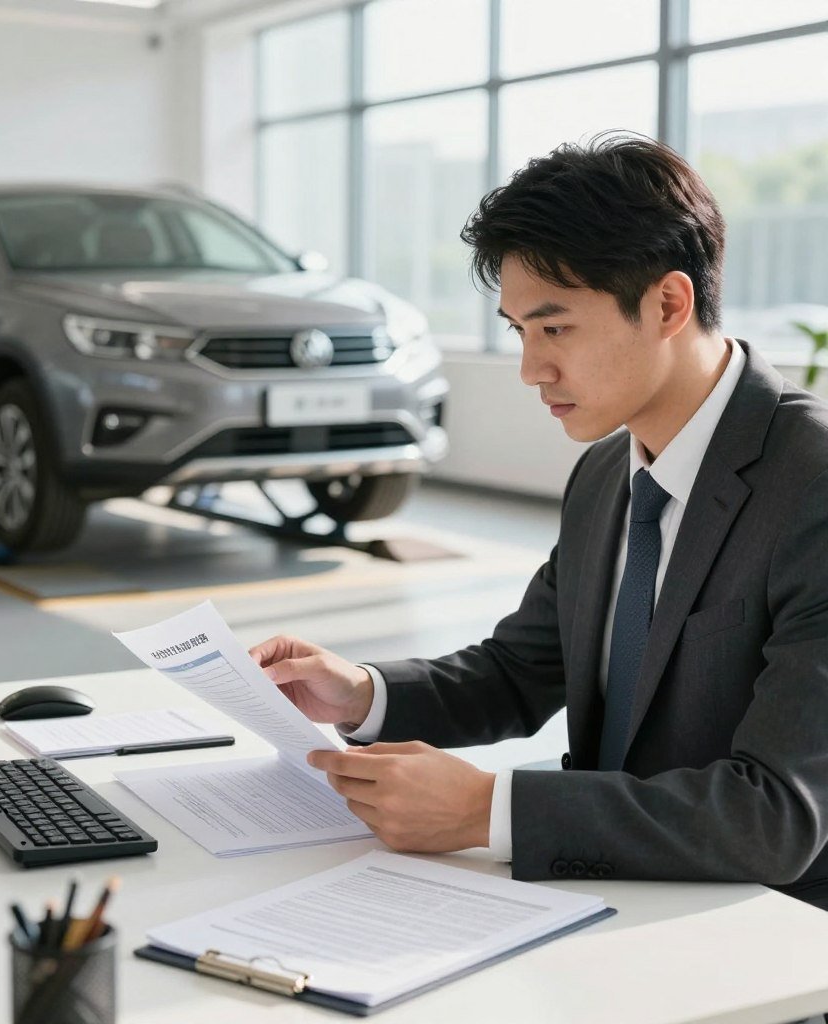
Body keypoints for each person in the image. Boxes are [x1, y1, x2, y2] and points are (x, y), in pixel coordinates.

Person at [250, 133, 828, 909]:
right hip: (616, 889)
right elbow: (522, 670)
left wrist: (485, 810)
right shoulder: (605, 475)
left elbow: (774, 817)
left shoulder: (812, 486)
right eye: (519, 331)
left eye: (555, 329)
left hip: (764, 927)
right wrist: (358, 694)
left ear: (667, 303)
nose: (532, 369)